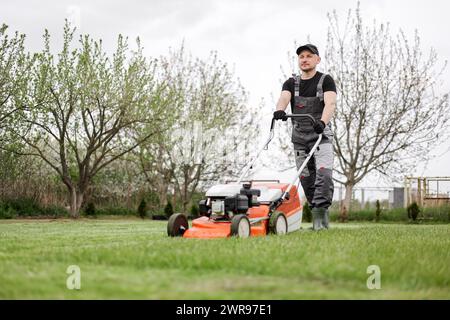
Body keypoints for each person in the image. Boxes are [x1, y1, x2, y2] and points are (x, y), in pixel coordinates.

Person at [274, 44, 337, 230]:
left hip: (321, 136)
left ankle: (321, 221)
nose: (304, 59)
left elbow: (330, 103)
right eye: (301, 56)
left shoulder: (325, 80)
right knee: (306, 178)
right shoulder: (291, 83)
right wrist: (279, 110)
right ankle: (316, 216)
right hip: (300, 138)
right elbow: (284, 98)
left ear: (317, 59)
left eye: (309, 56)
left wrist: (323, 122)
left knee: (323, 175)